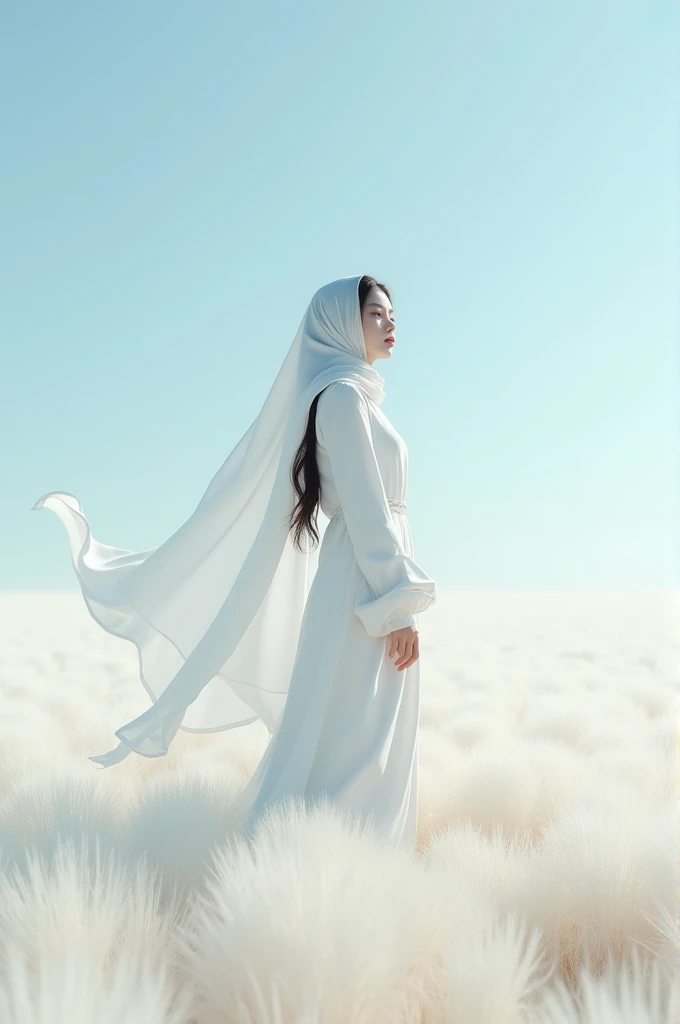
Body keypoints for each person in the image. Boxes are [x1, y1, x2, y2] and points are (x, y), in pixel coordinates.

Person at [31, 274, 437, 851]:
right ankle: (321, 861)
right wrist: (397, 607)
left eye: (390, 313)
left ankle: (351, 869)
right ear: (342, 324)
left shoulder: (355, 397)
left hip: (371, 581)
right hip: (366, 589)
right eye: (376, 313)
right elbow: (370, 513)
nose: (391, 322)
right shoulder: (342, 398)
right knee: (356, 735)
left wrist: (398, 597)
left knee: (363, 729)